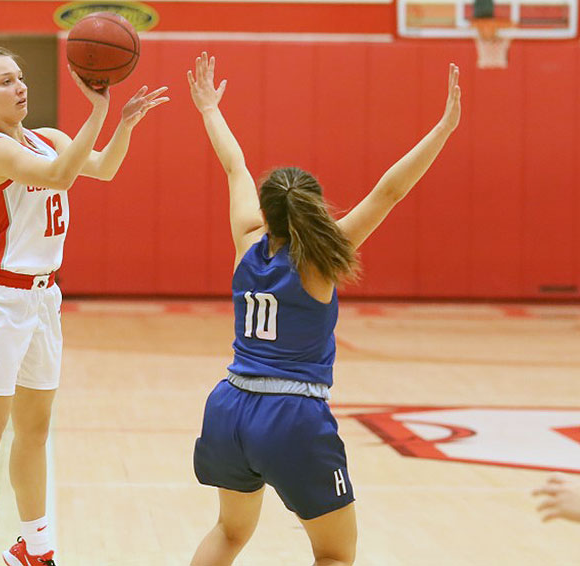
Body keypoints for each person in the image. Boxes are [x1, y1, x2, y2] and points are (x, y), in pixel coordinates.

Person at [185, 52, 461, 566]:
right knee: (334, 554)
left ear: (265, 210)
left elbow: (234, 164)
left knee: (227, 532)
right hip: (290, 415)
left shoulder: (246, 241)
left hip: (229, 405)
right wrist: (445, 128)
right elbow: (390, 191)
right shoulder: (320, 257)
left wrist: (208, 110)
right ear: (313, 209)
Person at [0, 47, 168, 566]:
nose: (20, 86)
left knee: (36, 431)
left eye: (21, 77)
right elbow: (60, 177)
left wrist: (124, 122)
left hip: (44, 298)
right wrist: (97, 111)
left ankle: (36, 549)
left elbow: (104, 168)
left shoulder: (48, 137)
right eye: (5, 81)